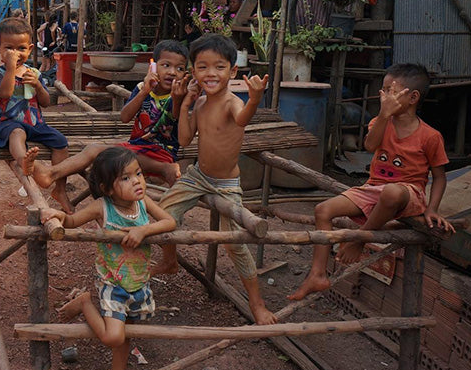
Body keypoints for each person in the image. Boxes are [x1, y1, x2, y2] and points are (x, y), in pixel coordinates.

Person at [288, 63, 454, 300]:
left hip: (408, 193)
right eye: (383, 90)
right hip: (374, 188)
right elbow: (369, 146)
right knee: (323, 210)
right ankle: (317, 274)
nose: (383, 96)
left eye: (390, 90)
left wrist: (433, 208)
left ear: (412, 97)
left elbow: (439, 177)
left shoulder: (430, 136)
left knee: (392, 193)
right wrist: (385, 115)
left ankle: (360, 238)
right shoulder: (380, 121)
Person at [151, 34, 277, 325]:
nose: (210, 74)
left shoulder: (233, 102)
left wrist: (255, 98)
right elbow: (183, 138)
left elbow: (243, 119)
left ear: (233, 72)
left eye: (219, 67)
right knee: (163, 215)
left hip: (226, 184)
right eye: (202, 67)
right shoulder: (202, 104)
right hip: (197, 177)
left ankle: (257, 304)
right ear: (193, 71)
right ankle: (170, 261)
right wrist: (183, 104)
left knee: (235, 243)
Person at [41, 147, 176, 370]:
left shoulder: (142, 203)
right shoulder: (103, 207)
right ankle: (84, 303)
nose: (137, 180)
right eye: (125, 178)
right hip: (113, 284)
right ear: (107, 188)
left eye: (138, 173)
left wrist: (144, 231)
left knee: (127, 333)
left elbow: (170, 222)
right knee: (113, 336)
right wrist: (58, 214)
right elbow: (71, 222)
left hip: (138, 282)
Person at [23, 40, 188, 189]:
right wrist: (145, 91)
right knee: (94, 150)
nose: (173, 72)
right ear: (152, 66)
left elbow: (173, 117)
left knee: (103, 153)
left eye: (179, 68)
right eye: (166, 65)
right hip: (136, 147)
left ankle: (51, 173)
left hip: (163, 153)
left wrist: (177, 98)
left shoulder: (180, 95)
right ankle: (52, 174)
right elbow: (124, 118)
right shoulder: (141, 89)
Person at [0, 17, 72, 210]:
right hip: (7, 123)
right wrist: (11, 69)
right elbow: (6, 93)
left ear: (31, 48)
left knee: (60, 142)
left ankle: (60, 189)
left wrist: (37, 85)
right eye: (9, 48)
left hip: (35, 123)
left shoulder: (35, 73)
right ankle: (24, 162)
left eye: (21, 48)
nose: (16, 53)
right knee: (17, 134)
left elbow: (46, 102)